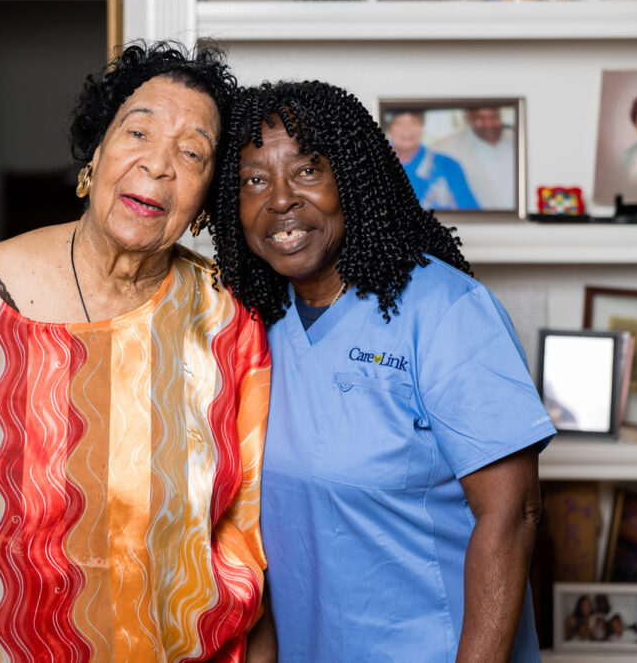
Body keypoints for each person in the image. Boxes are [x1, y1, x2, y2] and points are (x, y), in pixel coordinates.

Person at [0, 42, 272, 662]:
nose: (158, 165)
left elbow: (247, 524)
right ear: (96, 153)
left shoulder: (227, 320)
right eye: (138, 132)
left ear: (205, 199)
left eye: (192, 154)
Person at [209, 81, 555, 661]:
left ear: (353, 178)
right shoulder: (249, 324)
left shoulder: (446, 311)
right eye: (254, 180)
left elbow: (512, 512)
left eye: (308, 171)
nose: (280, 200)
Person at [384, 110, 479, 210]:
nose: (407, 129)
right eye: (399, 123)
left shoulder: (448, 165)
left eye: (414, 122)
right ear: (390, 128)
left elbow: (472, 214)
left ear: (422, 127)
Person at [430, 106, 516, 210]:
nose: (488, 123)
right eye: (480, 118)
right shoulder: (447, 146)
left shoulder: (516, 139)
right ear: (468, 118)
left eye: (494, 117)